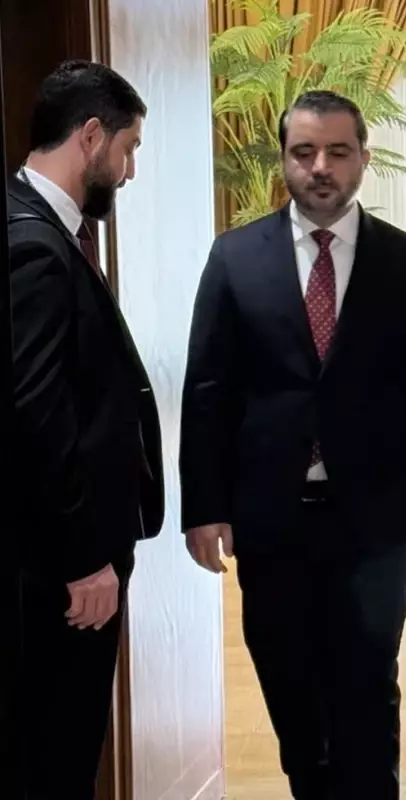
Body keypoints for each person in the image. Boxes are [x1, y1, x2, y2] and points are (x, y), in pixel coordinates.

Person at [180, 90, 406, 799]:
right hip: (271, 519)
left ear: (363, 158)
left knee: (367, 688)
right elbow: (208, 391)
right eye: (304, 152)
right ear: (283, 159)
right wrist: (204, 507)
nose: (320, 167)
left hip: (375, 519)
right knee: (291, 689)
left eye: (338, 152)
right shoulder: (234, 258)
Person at [8, 60, 164, 799]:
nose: (129, 171)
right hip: (59, 574)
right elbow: (36, 414)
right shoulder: (33, 245)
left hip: (57, 564)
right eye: (128, 149)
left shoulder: (43, 229)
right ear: (91, 136)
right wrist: (83, 560)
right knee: (56, 757)